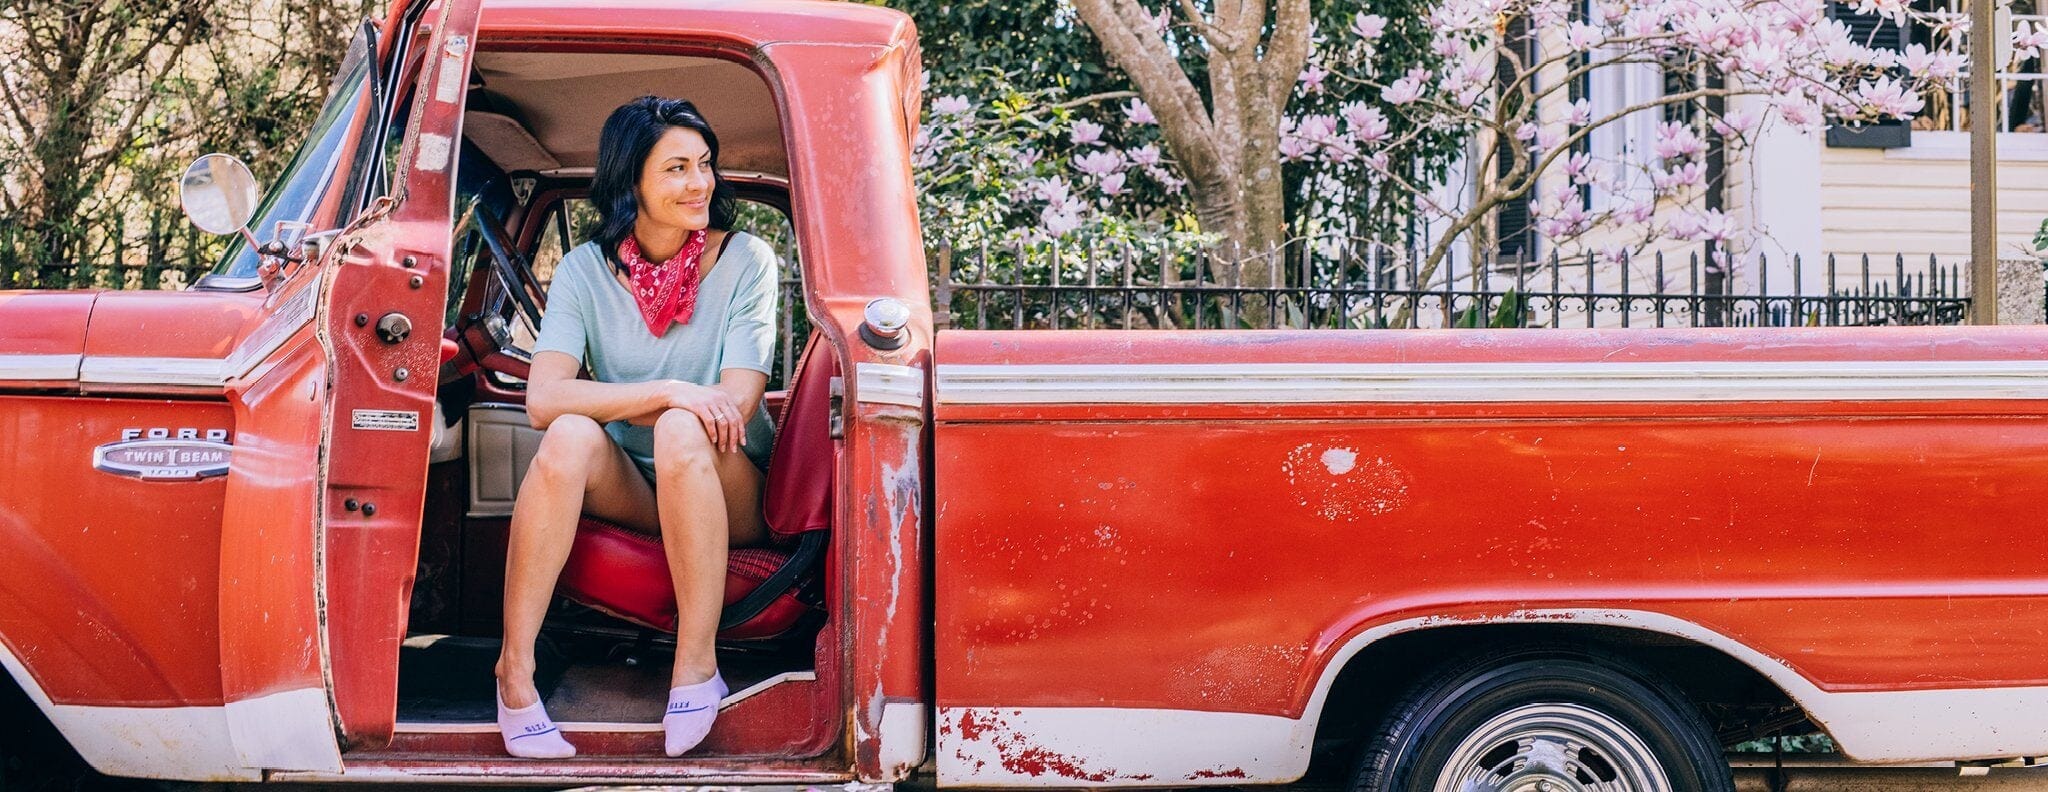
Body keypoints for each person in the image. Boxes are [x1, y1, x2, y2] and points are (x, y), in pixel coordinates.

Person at [492, 96, 779, 759]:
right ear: (632, 183)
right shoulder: (584, 271)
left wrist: (665, 405)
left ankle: (696, 665)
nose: (700, 183)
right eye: (677, 168)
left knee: (682, 428)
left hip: (730, 485)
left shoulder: (747, 260)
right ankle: (514, 670)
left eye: (704, 164)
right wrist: (671, 390)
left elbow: (733, 404)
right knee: (567, 435)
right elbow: (543, 399)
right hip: (638, 487)